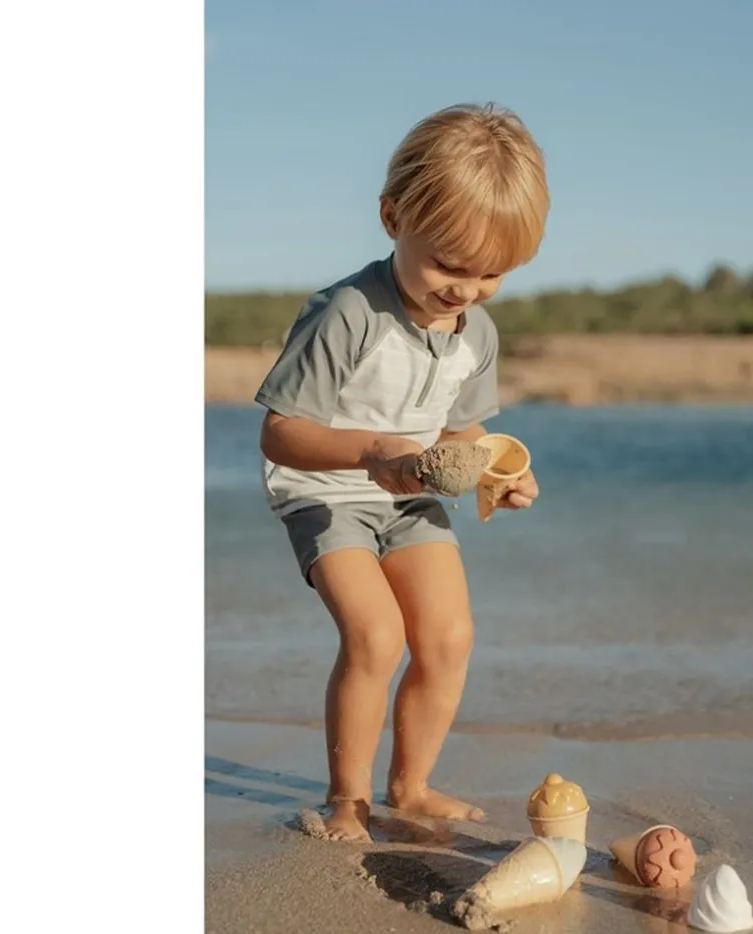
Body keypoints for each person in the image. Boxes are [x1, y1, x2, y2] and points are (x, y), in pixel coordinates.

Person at [253, 103, 548, 841]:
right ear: (393, 217)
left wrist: (496, 475)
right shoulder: (346, 313)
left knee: (448, 636)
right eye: (449, 265)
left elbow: (462, 429)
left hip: (410, 494)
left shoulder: (474, 332)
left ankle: (411, 786)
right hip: (327, 492)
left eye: (491, 275)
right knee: (377, 636)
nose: (465, 290)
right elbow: (282, 432)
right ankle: (345, 799)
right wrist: (370, 452)